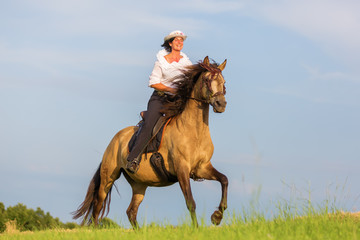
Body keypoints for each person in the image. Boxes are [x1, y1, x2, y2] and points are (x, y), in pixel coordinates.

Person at [126, 30, 192, 174]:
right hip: (160, 98)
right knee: (150, 125)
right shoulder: (161, 60)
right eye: (177, 40)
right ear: (170, 43)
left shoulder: (186, 62)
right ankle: (133, 158)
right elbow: (154, 83)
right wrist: (172, 89)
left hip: (178, 100)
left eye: (182, 40)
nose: (180, 42)